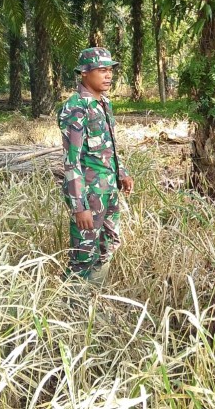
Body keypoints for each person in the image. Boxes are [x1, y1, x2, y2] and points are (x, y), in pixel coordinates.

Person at [59, 47, 134, 285]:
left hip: (108, 189)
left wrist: (122, 172)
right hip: (90, 194)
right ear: (84, 73)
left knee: (110, 243)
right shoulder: (76, 107)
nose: (108, 75)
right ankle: (74, 305)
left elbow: (108, 144)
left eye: (110, 70)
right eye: (102, 70)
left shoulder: (103, 103)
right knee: (83, 255)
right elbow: (72, 160)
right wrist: (79, 205)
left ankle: (94, 294)